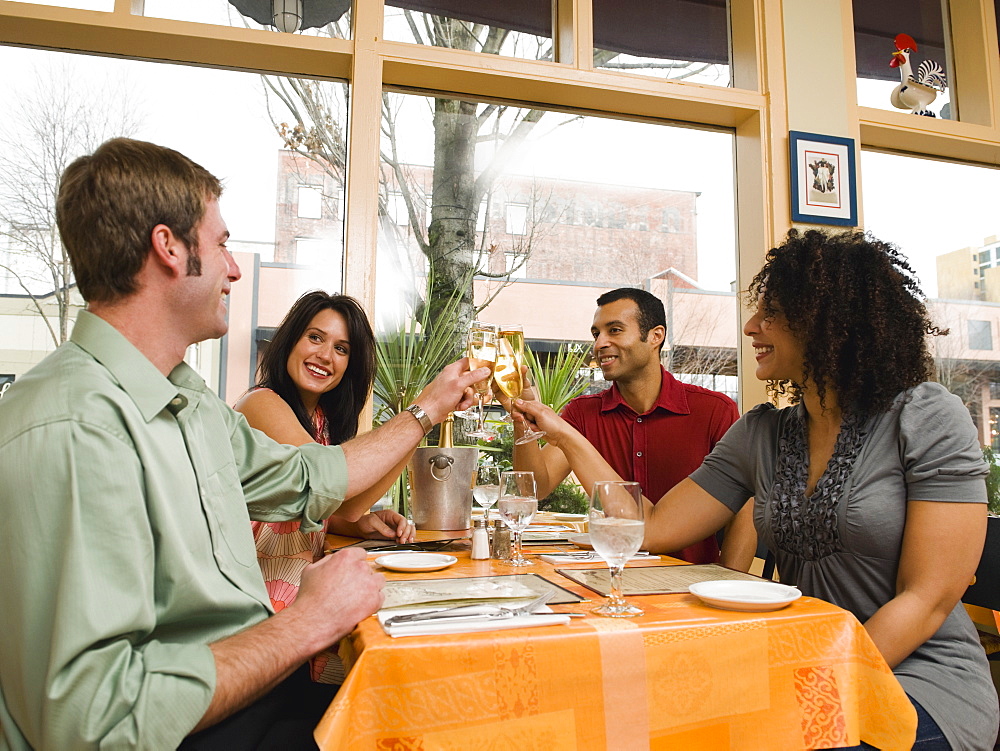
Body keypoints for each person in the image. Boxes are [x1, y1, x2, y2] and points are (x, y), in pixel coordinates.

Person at [0, 137, 486, 750]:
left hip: (248, 694)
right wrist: (309, 622)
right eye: (223, 243)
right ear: (168, 248)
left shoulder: (188, 401)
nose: (233, 268)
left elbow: (308, 481)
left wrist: (426, 410)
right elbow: (98, 724)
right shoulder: (73, 428)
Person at [517, 229, 999, 749]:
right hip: (791, 662)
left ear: (824, 320)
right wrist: (561, 431)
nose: (750, 327)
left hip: (915, 681)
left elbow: (928, 599)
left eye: (769, 315)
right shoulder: (761, 432)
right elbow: (651, 527)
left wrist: (806, 685)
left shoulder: (926, 416)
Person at [234, 290, 413, 684]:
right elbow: (332, 486)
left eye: (341, 348)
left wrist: (360, 524)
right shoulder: (261, 404)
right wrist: (421, 416)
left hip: (300, 605)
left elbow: (340, 508)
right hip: (257, 619)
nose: (325, 356)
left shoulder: (322, 421)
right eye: (315, 338)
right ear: (292, 340)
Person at [511, 287, 756, 568]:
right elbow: (533, 489)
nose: (600, 343)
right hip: (609, 575)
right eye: (596, 334)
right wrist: (522, 419)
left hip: (690, 583)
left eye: (614, 330)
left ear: (655, 336)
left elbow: (743, 509)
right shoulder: (583, 413)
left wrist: (727, 581)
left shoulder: (714, 410)